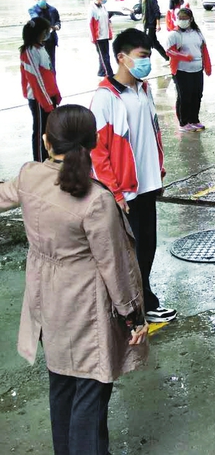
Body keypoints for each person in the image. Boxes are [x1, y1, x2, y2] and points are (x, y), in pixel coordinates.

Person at [0, 104, 148, 455]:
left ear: (46, 141)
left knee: (62, 383)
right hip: (86, 305)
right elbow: (115, 266)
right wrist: (133, 316)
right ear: (94, 142)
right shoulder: (96, 200)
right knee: (91, 390)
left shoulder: (30, 175)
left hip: (47, 299)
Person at [90, 28, 177, 324]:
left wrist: (158, 173)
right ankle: (136, 307)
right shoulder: (105, 97)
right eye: (142, 56)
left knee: (147, 246)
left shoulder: (144, 88)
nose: (146, 62)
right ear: (122, 58)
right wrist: (113, 192)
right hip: (124, 192)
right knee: (129, 253)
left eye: (148, 56)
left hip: (147, 184)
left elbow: (153, 133)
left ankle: (143, 302)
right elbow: (97, 151)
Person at [20, 17, 61, 162]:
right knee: (39, 131)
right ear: (39, 33)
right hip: (39, 99)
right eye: (46, 31)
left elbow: (49, 73)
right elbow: (36, 80)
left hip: (48, 96)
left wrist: (56, 93)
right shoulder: (29, 51)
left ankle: (48, 158)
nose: (48, 33)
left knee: (49, 130)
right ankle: (39, 161)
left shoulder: (41, 48)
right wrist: (46, 103)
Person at [166, 7, 212, 132]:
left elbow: (204, 50)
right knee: (184, 96)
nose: (182, 21)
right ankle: (183, 122)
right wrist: (183, 57)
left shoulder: (197, 33)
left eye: (185, 19)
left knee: (197, 95)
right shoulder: (175, 34)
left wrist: (207, 66)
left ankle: (194, 119)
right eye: (180, 18)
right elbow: (169, 51)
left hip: (197, 70)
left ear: (191, 19)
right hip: (181, 71)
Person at [28, 0, 61, 70]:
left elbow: (57, 21)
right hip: (39, 41)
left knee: (52, 63)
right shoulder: (33, 10)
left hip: (51, 40)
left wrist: (57, 26)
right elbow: (36, 19)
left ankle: (53, 81)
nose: (41, 0)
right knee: (41, 65)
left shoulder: (53, 10)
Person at [138, 0, 168, 64]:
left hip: (151, 24)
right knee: (154, 43)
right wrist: (131, 10)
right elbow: (139, 10)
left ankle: (145, 62)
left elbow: (156, 12)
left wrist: (158, 24)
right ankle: (167, 58)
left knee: (147, 43)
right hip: (146, 24)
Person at [89, 0, 114, 77]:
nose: (105, 0)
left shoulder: (103, 7)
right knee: (104, 57)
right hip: (98, 37)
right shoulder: (92, 9)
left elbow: (106, 21)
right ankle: (109, 73)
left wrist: (110, 34)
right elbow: (90, 24)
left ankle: (101, 72)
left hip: (105, 35)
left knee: (105, 55)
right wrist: (93, 38)